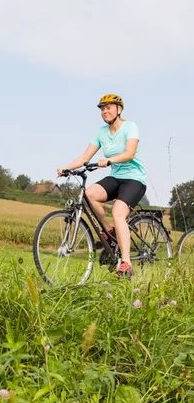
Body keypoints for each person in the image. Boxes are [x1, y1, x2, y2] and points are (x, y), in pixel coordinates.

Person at [57, 94, 147, 278]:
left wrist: (109, 160)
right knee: (89, 194)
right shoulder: (101, 132)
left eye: (108, 107)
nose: (105, 111)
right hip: (116, 177)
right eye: (102, 109)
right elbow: (84, 158)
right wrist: (66, 167)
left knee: (118, 213)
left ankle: (126, 263)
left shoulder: (130, 127)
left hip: (134, 179)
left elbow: (129, 153)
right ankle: (108, 232)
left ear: (119, 109)